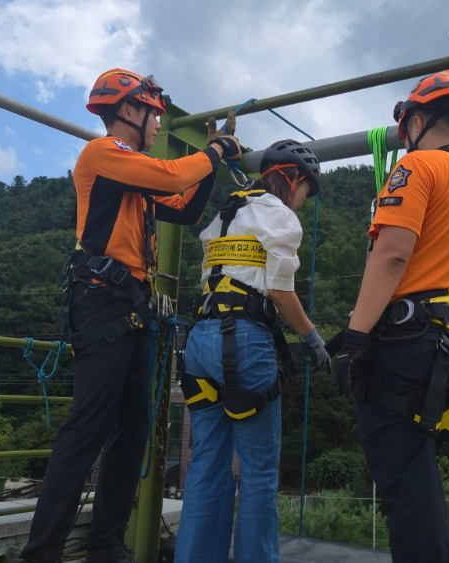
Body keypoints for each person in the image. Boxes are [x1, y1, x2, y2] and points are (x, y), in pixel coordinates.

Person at [15, 69, 241, 563]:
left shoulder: (134, 171)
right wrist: (217, 152)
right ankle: (42, 552)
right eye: (154, 115)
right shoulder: (104, 155)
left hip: (132, 305)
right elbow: (175, 175)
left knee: (133, 429)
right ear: (129, 111)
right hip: (101, 300)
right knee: (88, 426)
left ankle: (106, 544)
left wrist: (211, 165)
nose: (159, 125)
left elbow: (180, 207)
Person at [332, 70, 449, 563]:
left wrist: (354, 338)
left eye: (406, 127)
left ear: (420, 119)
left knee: (405, 494)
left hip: (406, 347)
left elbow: (391, 256)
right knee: (417, 477)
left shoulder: (419, 167)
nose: (404, 139)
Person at [174, 139, 330, 563]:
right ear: (292, 178)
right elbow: (280, 290)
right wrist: (312, 338)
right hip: (244, 343)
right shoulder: (280, 217)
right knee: (259, 474)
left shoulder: (225, 215)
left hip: (200, 344)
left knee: (206, 466)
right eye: (305, 191)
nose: (303, 201)